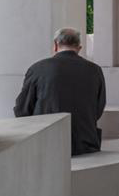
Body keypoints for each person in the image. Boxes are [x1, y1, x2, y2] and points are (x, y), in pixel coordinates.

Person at [14, 28, 106, 156]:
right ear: (79, 47)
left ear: (56, 45)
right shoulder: (95, 70)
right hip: (85, 144)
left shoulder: (38, 68)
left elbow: (22, 109)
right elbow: (98, 108)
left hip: (46, 143)